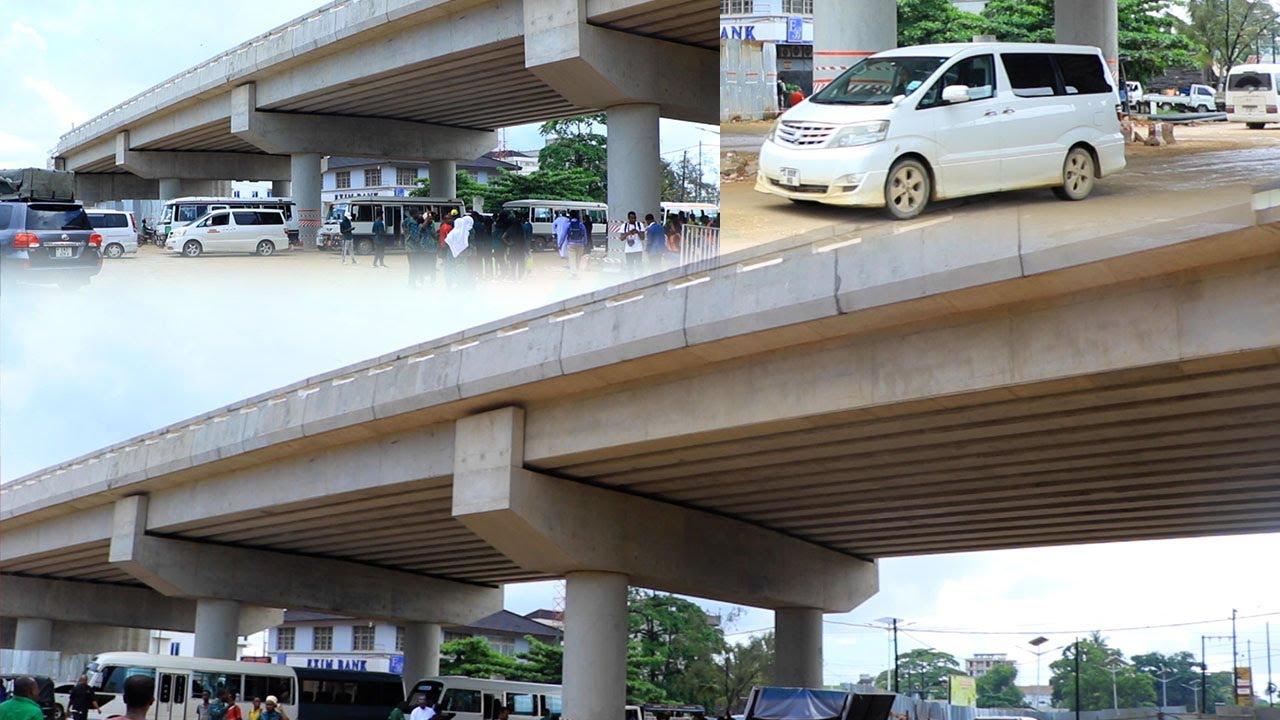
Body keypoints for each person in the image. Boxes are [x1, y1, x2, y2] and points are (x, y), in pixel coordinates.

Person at [620, 210, 645, 277]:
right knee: (630, 266)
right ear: (628, 218)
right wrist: (628, 233)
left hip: (638, 249)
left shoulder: (640, 225)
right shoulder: (624, 226)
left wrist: (637, 232)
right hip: (629, 250)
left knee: (639, 265)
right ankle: (631, 278)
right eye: (632, 218)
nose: (633, 219)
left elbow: (643, 238)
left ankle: (640, 278)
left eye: (634, 218)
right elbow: (621, 238)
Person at [563, 210, 588, 276]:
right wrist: (585, 243)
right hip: (580, 244)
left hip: (571, 244)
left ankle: (574, 272)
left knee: (572, 258)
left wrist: (560, 244)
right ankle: (577, 270)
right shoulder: (581, 225)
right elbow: (585, 234)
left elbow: (563, 235)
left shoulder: (568, 224)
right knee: (578, 259)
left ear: (570, 216)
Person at [403, 210, 422, 288]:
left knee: (412, 266)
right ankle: (412, 284)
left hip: (408, 246)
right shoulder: (413, 223)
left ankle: (411, 283)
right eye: (418, 213)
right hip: (414, 248)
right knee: (415, 266)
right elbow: (415, 236)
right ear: (414, 214)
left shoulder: (405, 221)